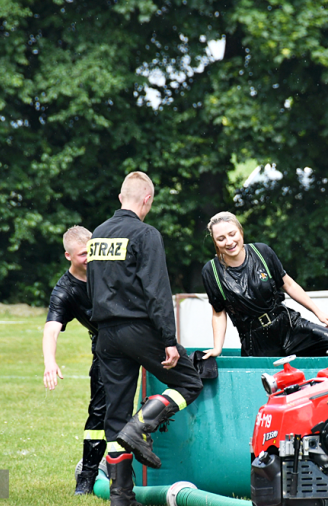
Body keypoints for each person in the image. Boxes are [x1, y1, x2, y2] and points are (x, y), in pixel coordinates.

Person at [87, 172, 203, 506]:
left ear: (121, 196)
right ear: (147, 199)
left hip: (106, 335)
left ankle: (121, 497)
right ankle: (141, 426)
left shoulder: (97, 236)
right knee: (189, 382)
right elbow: (156, 290)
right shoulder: (144, 233)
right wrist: (168, 337)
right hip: (139, 329)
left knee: (114, 416)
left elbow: (92, 288)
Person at [201, 211, 328, 358]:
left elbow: (289, 285)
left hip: (289, 326)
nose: (229, 242)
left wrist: (318, 312)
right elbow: (218, 313)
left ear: (240, 232)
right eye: (221, 239)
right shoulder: (211, 270)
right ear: (215, 242)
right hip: (256, 342)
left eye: (232, 234)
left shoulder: (262, 252)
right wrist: (217, 348)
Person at [42, 225, 106, 496]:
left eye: (92, 251)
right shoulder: (64, 291)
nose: (90, 258)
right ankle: (87, 479)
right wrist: (50, 361)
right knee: (99, 412)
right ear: (68, 256)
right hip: (105, 346)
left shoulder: (107, 266)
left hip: (138, 336)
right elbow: (51, 328)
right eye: (83, 254)